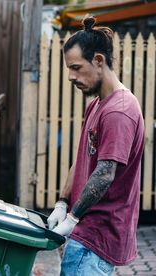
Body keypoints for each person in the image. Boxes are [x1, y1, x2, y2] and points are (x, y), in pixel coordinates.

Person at [47, 16, 145, 275]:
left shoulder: (119, 112)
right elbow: (82, 159)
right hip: (86, 235)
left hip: (95, 240)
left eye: (76, 68)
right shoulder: (97, 104)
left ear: (99, 61)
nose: (70, 76)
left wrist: (71, 219)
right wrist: (61, 202)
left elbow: (103, 174)